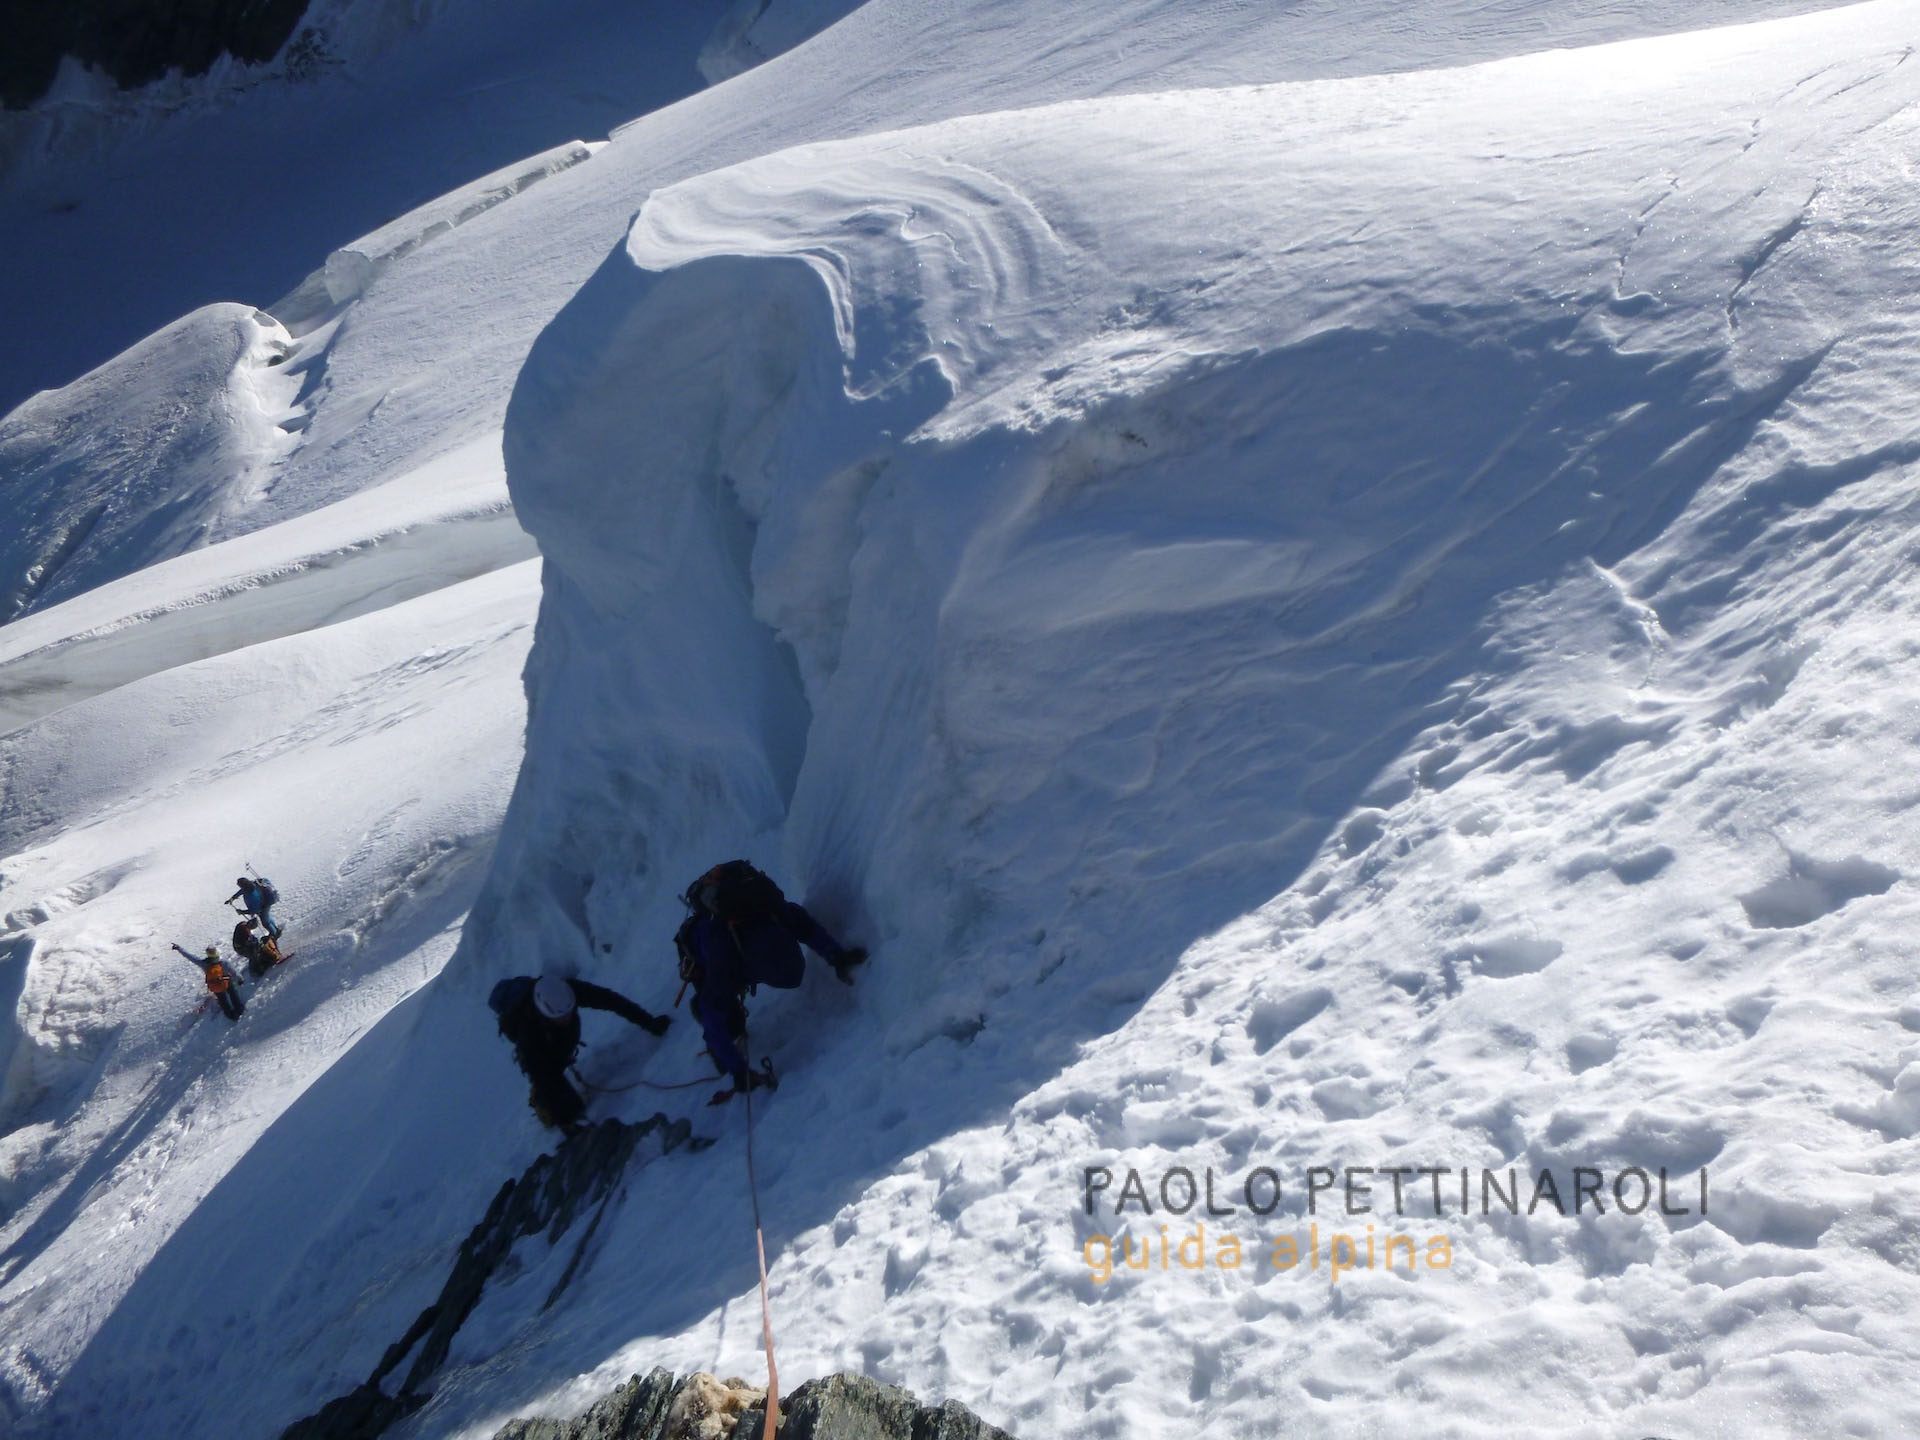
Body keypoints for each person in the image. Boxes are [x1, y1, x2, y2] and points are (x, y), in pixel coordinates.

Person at [674, 860, 866, 1104]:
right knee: (725, 1019)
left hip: (734, 944)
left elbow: (805, 926)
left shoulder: (771, 913)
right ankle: (721, 1056)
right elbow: (711, 1016)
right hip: (695, 948)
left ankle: (730, 1045)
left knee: (724, 1007)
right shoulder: (723, 963)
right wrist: (737, 1070)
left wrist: (837, 956)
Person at [488, 973, 671, 1134]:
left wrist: (648, 1022)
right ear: (545, 1012)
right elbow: (543, 1077)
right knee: (551, 1075)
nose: (566, 1017)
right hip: (541, 1048)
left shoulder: (569, 991)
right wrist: (569, 1122)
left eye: (569, 1012)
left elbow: (611, 1001)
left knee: (561, 1049)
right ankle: (543, 1103)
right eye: (560, 1016)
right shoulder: (529, 1035)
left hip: (555, 1036)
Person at [172, 942, 244, 1021]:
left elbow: (191, 957)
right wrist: (239, 978)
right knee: (233, 993)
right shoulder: (223, 963)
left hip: (215, 985)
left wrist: (179, 948)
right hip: (226, 980)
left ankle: (230, 1015)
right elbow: (233, 971)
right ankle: (239, 1009)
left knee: (222, 1000)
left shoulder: (204, 964)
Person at [228, 875, 282, 941]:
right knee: (267, 918)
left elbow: (254, 910)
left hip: (264, 906)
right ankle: (276, 930)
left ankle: (274, 934)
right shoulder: (250, 885)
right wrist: (233, 898)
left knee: (265, 922)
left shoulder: (252, 895)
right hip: (265, 902)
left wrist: (242, 912)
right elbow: (241, 891)